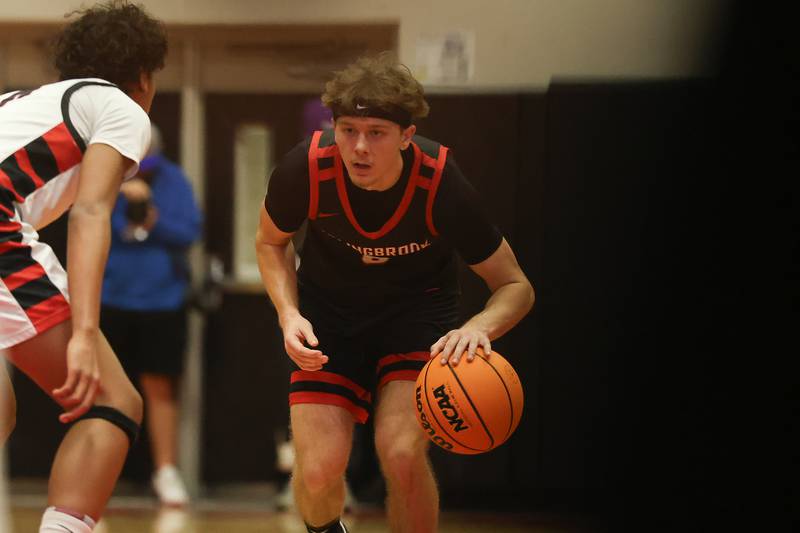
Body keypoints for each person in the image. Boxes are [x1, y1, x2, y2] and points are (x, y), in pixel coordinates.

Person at [255, 53, 535, 533]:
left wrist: (476, 329)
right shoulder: (305, 167)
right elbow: (269, 243)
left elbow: (516, 286)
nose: (359, 147)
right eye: (348, 130)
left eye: (376, 133)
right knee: (320, 468)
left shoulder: (441, 182)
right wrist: (287, 313)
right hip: (329, 314)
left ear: (406, 137)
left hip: (416, 315)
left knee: (402, 454)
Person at [0, 1, 167, 531]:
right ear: (143, 75)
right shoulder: (120, 106)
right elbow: (92, 211)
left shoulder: (18, 101)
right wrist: (85, 333)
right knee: (112, 404)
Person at [99, 123, 201, 506]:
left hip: (162, 301)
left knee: (160, 388)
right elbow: (89, 226)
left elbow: (188, 232)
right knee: (105, 392)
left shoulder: (173, 180)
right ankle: (100, 473)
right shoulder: (103, 175)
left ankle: (166, 471)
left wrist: (148, 213)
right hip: (110, 299)